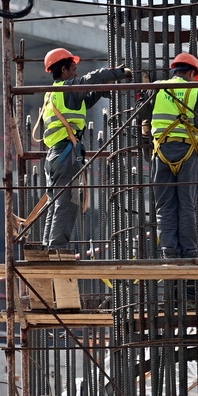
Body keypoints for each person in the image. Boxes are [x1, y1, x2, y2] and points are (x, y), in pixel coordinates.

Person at [40, 48, 130, 251]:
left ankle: (48, 245)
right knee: (66, 202)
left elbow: (85, 101)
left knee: (55, 201)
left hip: (55, 154)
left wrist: (100, 91)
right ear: (63, 69)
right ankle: (57, 248)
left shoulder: (54, 93)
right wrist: (119, 72)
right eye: (73, 69)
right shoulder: (67, 88)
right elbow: (93, 77)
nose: (76, 73)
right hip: (65, 154)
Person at [147, 51, 198, 259]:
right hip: (187, 151)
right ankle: (189, 252)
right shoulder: (196, 90)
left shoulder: (158, 88)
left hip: (161, 151)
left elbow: (144, 112)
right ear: (191, 72)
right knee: (186, 205)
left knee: (165, 205)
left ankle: (169, 251)